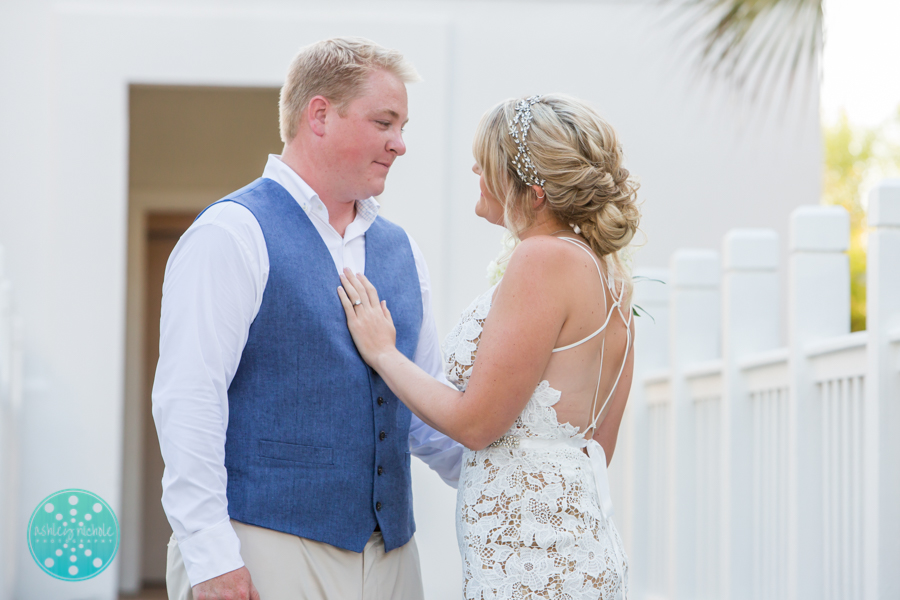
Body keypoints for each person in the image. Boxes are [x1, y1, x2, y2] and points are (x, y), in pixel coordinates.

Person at [152, 37, 463, 600]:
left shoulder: (402, 251)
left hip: (393, 558)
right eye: (384, 122)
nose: (400, 144)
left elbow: (423, 413)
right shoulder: (232, 233)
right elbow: (188, 400)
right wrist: (210, 555)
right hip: (265, 547)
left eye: (403, 126)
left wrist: (521, 475)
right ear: (319, 114)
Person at [338, 94, 640, 599]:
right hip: (576, 545)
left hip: (529, 559)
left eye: (490, 161)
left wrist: (384, 353)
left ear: (534, 191)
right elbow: (595, 446)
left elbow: (475, 425)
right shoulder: (614, 278)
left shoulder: (541, 259)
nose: (475, 168)